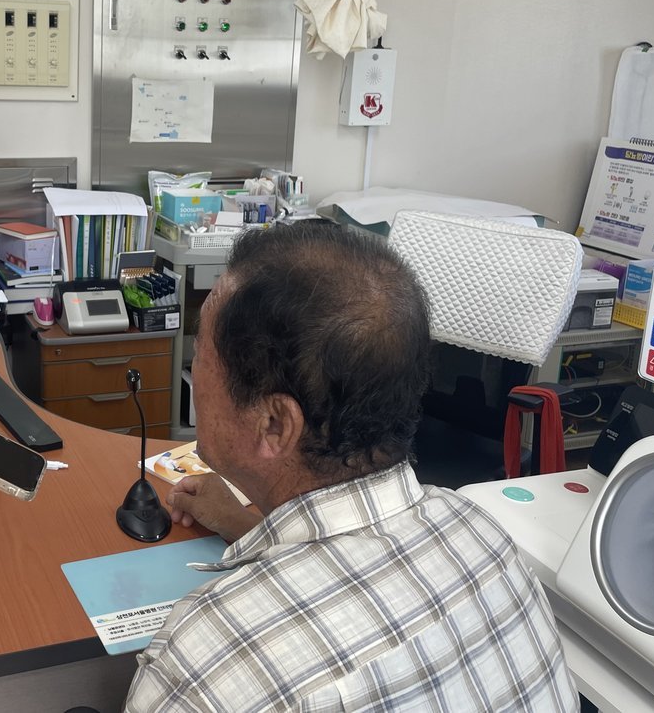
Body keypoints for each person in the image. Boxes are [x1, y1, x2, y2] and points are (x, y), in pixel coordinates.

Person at [125, 222, 577, 712]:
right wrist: (243, 524)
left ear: (274, 424)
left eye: (198, 354)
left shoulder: (204, 665)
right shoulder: (486, 537)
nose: (194, 372)